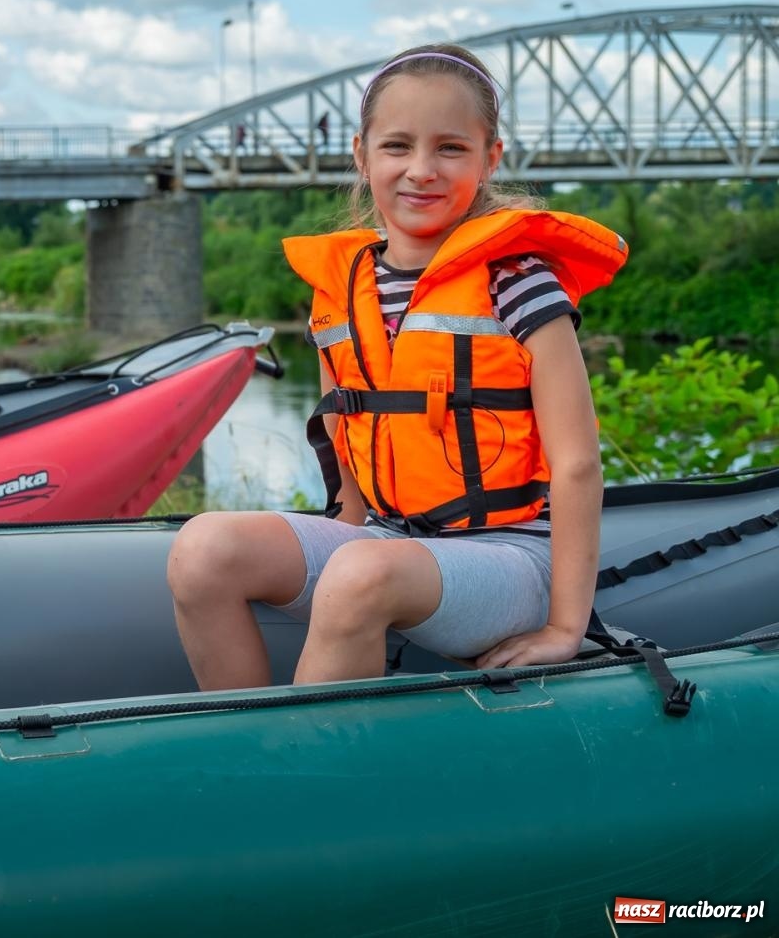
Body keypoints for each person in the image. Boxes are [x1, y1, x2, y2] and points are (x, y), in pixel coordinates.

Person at [166, 43, 627, 688]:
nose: (421, 169)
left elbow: (578, 462)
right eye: (397, 146)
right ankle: (244, 740)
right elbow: (343, 422)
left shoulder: (519, 283)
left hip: (511, 555)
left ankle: (301, 770)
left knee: (358, 573)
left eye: (450, 148)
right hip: (387, 539)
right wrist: (345, 528)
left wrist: (565, 626)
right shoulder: (341, 289)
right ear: (361, 155)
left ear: (489, 159)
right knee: (202, 548)